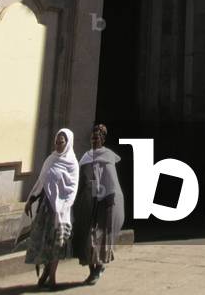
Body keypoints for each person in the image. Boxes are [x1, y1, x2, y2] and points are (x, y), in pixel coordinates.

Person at [24, 128, 79, 288]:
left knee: (57, 243)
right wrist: (31, 199)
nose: (58, 145)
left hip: (61, 211)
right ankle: (46, 271)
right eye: (56, 142)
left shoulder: (72, 163)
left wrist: (62, 206)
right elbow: (41, 182)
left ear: (68, 143)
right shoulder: (51, 159)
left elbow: (72, 189)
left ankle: (52, 277)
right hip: (46, 208)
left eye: (61, 142)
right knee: (43, 241)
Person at [73, 123, 125, 284]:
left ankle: (99, 266)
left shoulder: (108, 156)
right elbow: (82, 180)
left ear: (102, 139)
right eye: (92, 138)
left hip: (104, 202)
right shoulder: (86, 157)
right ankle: (92, 270)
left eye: (96, 138)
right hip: (89, 201)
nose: (94, 141)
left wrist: (110, 199)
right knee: (87, 237)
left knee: (100, 236)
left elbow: (111, 181)